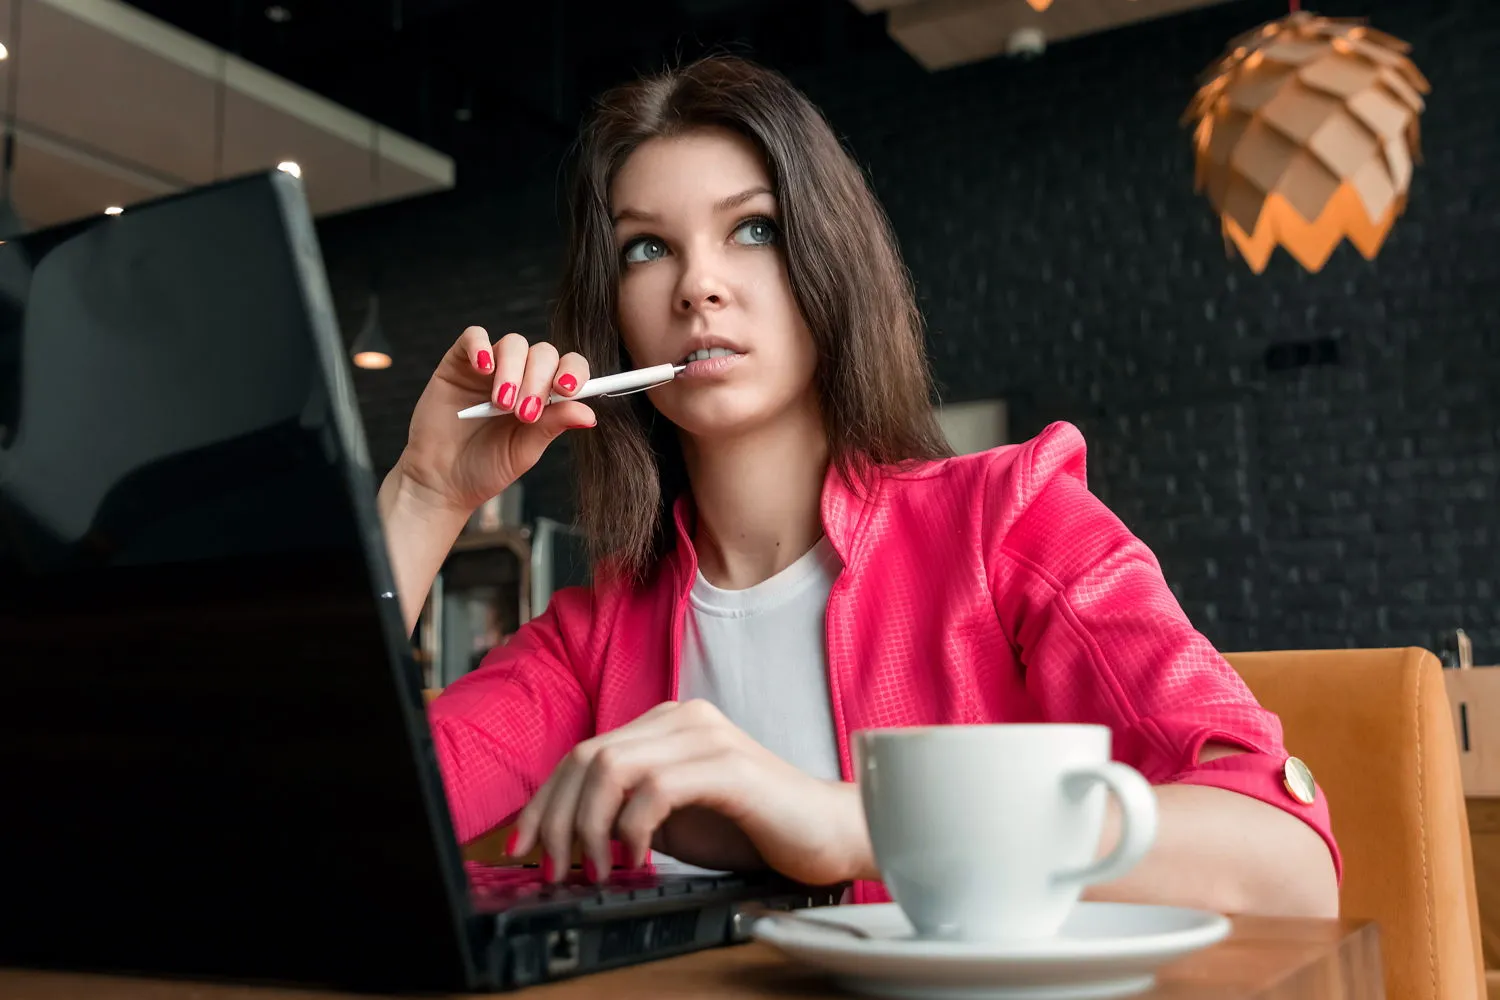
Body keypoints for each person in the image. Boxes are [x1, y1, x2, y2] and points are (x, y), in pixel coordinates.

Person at [377, 54, 1340, 917]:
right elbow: (308, 835)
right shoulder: (590, 644)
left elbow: (1287, 862)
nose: (696, 286)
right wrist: (424, 495)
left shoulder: (1011, 520)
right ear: (616, 318)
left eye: (752, 229)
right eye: (646, 247)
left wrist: (850, 824)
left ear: (827, 262)